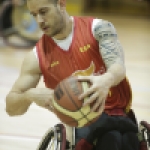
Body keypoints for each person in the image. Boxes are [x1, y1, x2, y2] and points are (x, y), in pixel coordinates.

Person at [5, 0, 139, 149]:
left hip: (119, 116)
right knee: (110, 140)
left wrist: (105, 80)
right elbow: (11, 107)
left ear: (61, 4)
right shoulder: (37, 56)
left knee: (122, 138)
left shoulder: (98, 28)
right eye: (34, 15)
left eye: (43, 12)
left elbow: (118, 66)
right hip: (80, 122)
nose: (39, 20)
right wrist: (29, 95)